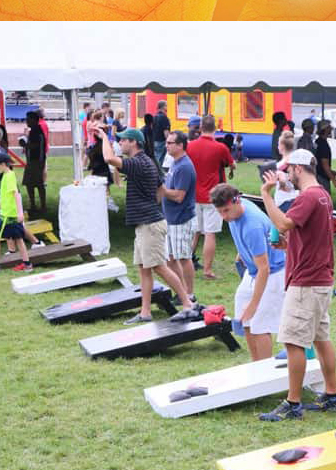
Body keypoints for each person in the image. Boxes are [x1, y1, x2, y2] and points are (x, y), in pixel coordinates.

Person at [257, 149, 336, 420]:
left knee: (294, 342)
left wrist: (266, 195)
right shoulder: (322, 195)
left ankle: (293, 403)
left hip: (307, 282)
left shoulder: (307, 197)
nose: (287, 175)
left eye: (289, 169)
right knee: (320, 338)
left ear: (298, 168)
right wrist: (286, 247)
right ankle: (331, 395)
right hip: (320, 277)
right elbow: (310, 237)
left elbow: (283, 221)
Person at [101, 128, 197, 323]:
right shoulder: (147, 162)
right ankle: (145, 313)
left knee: (160, 267)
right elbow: (160, 190)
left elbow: (109, 159)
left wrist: (104, 136)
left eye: (123, 141)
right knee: (144, 268)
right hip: (146, 223)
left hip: (150, 225)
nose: (120, 144)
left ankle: (188, 303)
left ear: (133, 143)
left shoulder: (139, 162)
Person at [210, 184, 287, 360]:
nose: (224, 216)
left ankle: (264, 372)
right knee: (244, 319)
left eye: (226, 211)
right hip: (252, 271)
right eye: (220, 212)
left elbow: (264, 268)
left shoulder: (252, 225)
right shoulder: (236, 206)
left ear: (236, 201)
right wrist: (242, 253)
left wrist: (254, 304)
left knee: (260, 323)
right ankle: (256, 365)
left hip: (274, 273)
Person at [187, 115, 236, 280]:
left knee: (194, 231)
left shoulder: (189, 146)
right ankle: (207, 270)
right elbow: (232, 164)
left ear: (200, 127)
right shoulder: (220, 148)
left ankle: (185, 262)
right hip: (213, 197)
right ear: (215, 128)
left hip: (193, 195)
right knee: (210, 233)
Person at [158, 130, 199, 301]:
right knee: (171, 258)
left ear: (180, 145)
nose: (166, 145)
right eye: (166, 142)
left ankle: (189, 294)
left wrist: (161, 190)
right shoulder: (175, 163)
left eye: (170, 143)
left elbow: (180, 196)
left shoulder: (184, 167)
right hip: (171, 219)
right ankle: (180, 290)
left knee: (183, 257)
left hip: (181, 219)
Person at [22, 111, 47, 214]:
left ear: (34, 120)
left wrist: (24, 145)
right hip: (34, 160)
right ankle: (35, 205)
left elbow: (35, 146)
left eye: (28, 119)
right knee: (31, 183)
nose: (26, 121)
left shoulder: (36, 131)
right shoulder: (34, 130)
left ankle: (40, 205)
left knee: (36, 183)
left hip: (36, 160)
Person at [273, 130, 299, 212]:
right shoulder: (298, 160)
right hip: (297, 198)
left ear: (282, 146)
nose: (277, 147)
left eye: (278, 144)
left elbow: (282, 184)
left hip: (283, 201)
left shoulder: (280, 165)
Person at [313, 119, 336, 194]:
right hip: (322, 178)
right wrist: (334, 180)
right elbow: (325, 165)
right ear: (325, 129)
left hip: (317, 175)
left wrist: (332, 172)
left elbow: (319, 162)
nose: (331, 129)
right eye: (329, 127)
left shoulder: (318, 141)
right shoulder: (323, 145)